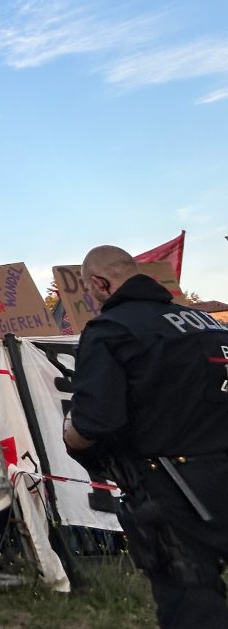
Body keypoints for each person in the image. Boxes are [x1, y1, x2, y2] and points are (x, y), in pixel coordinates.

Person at [64, 245, 228, 628]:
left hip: (173, 487)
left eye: (90, 290)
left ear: (100, 283)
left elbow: (93, 422)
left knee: (191, 602)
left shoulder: (112, 329)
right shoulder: (211, 325)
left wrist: (70, 436)